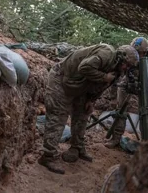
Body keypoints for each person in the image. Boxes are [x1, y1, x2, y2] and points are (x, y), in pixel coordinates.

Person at [38, 44, 139, 174]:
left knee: (83, 115)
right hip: (61, 78)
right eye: (126, 64)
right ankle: (47, 156)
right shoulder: (106, 54)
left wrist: (91, 101)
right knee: (58, 116)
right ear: (120, 58)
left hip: (80, 85)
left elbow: (102, 86)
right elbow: (84, 67)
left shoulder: (118, 71)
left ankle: (77, 148)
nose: (126, 68)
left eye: (129, 66)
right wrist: (104, 76)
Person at [104, 37, 148, 149]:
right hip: (127, 83)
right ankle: (116, 138)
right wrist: (112, 97)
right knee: (120, 112)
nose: (139, 56)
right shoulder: (128, 55)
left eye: (141, 53)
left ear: (147, 51)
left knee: (147, 112)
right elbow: (116, 75)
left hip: (146, 87)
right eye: (137, 53)